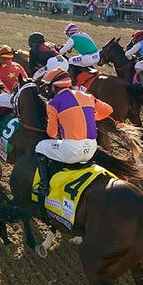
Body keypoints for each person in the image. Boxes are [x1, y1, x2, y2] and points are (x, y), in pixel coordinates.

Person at [34, 68, 113, 201]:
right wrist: (90, 118)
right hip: (92, 148)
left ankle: (44, 186)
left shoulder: (53, 103)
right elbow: (109, 110)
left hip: (71, 151)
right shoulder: (88, 96)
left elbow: (52, 134)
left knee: (40, 146)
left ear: (54, 86)